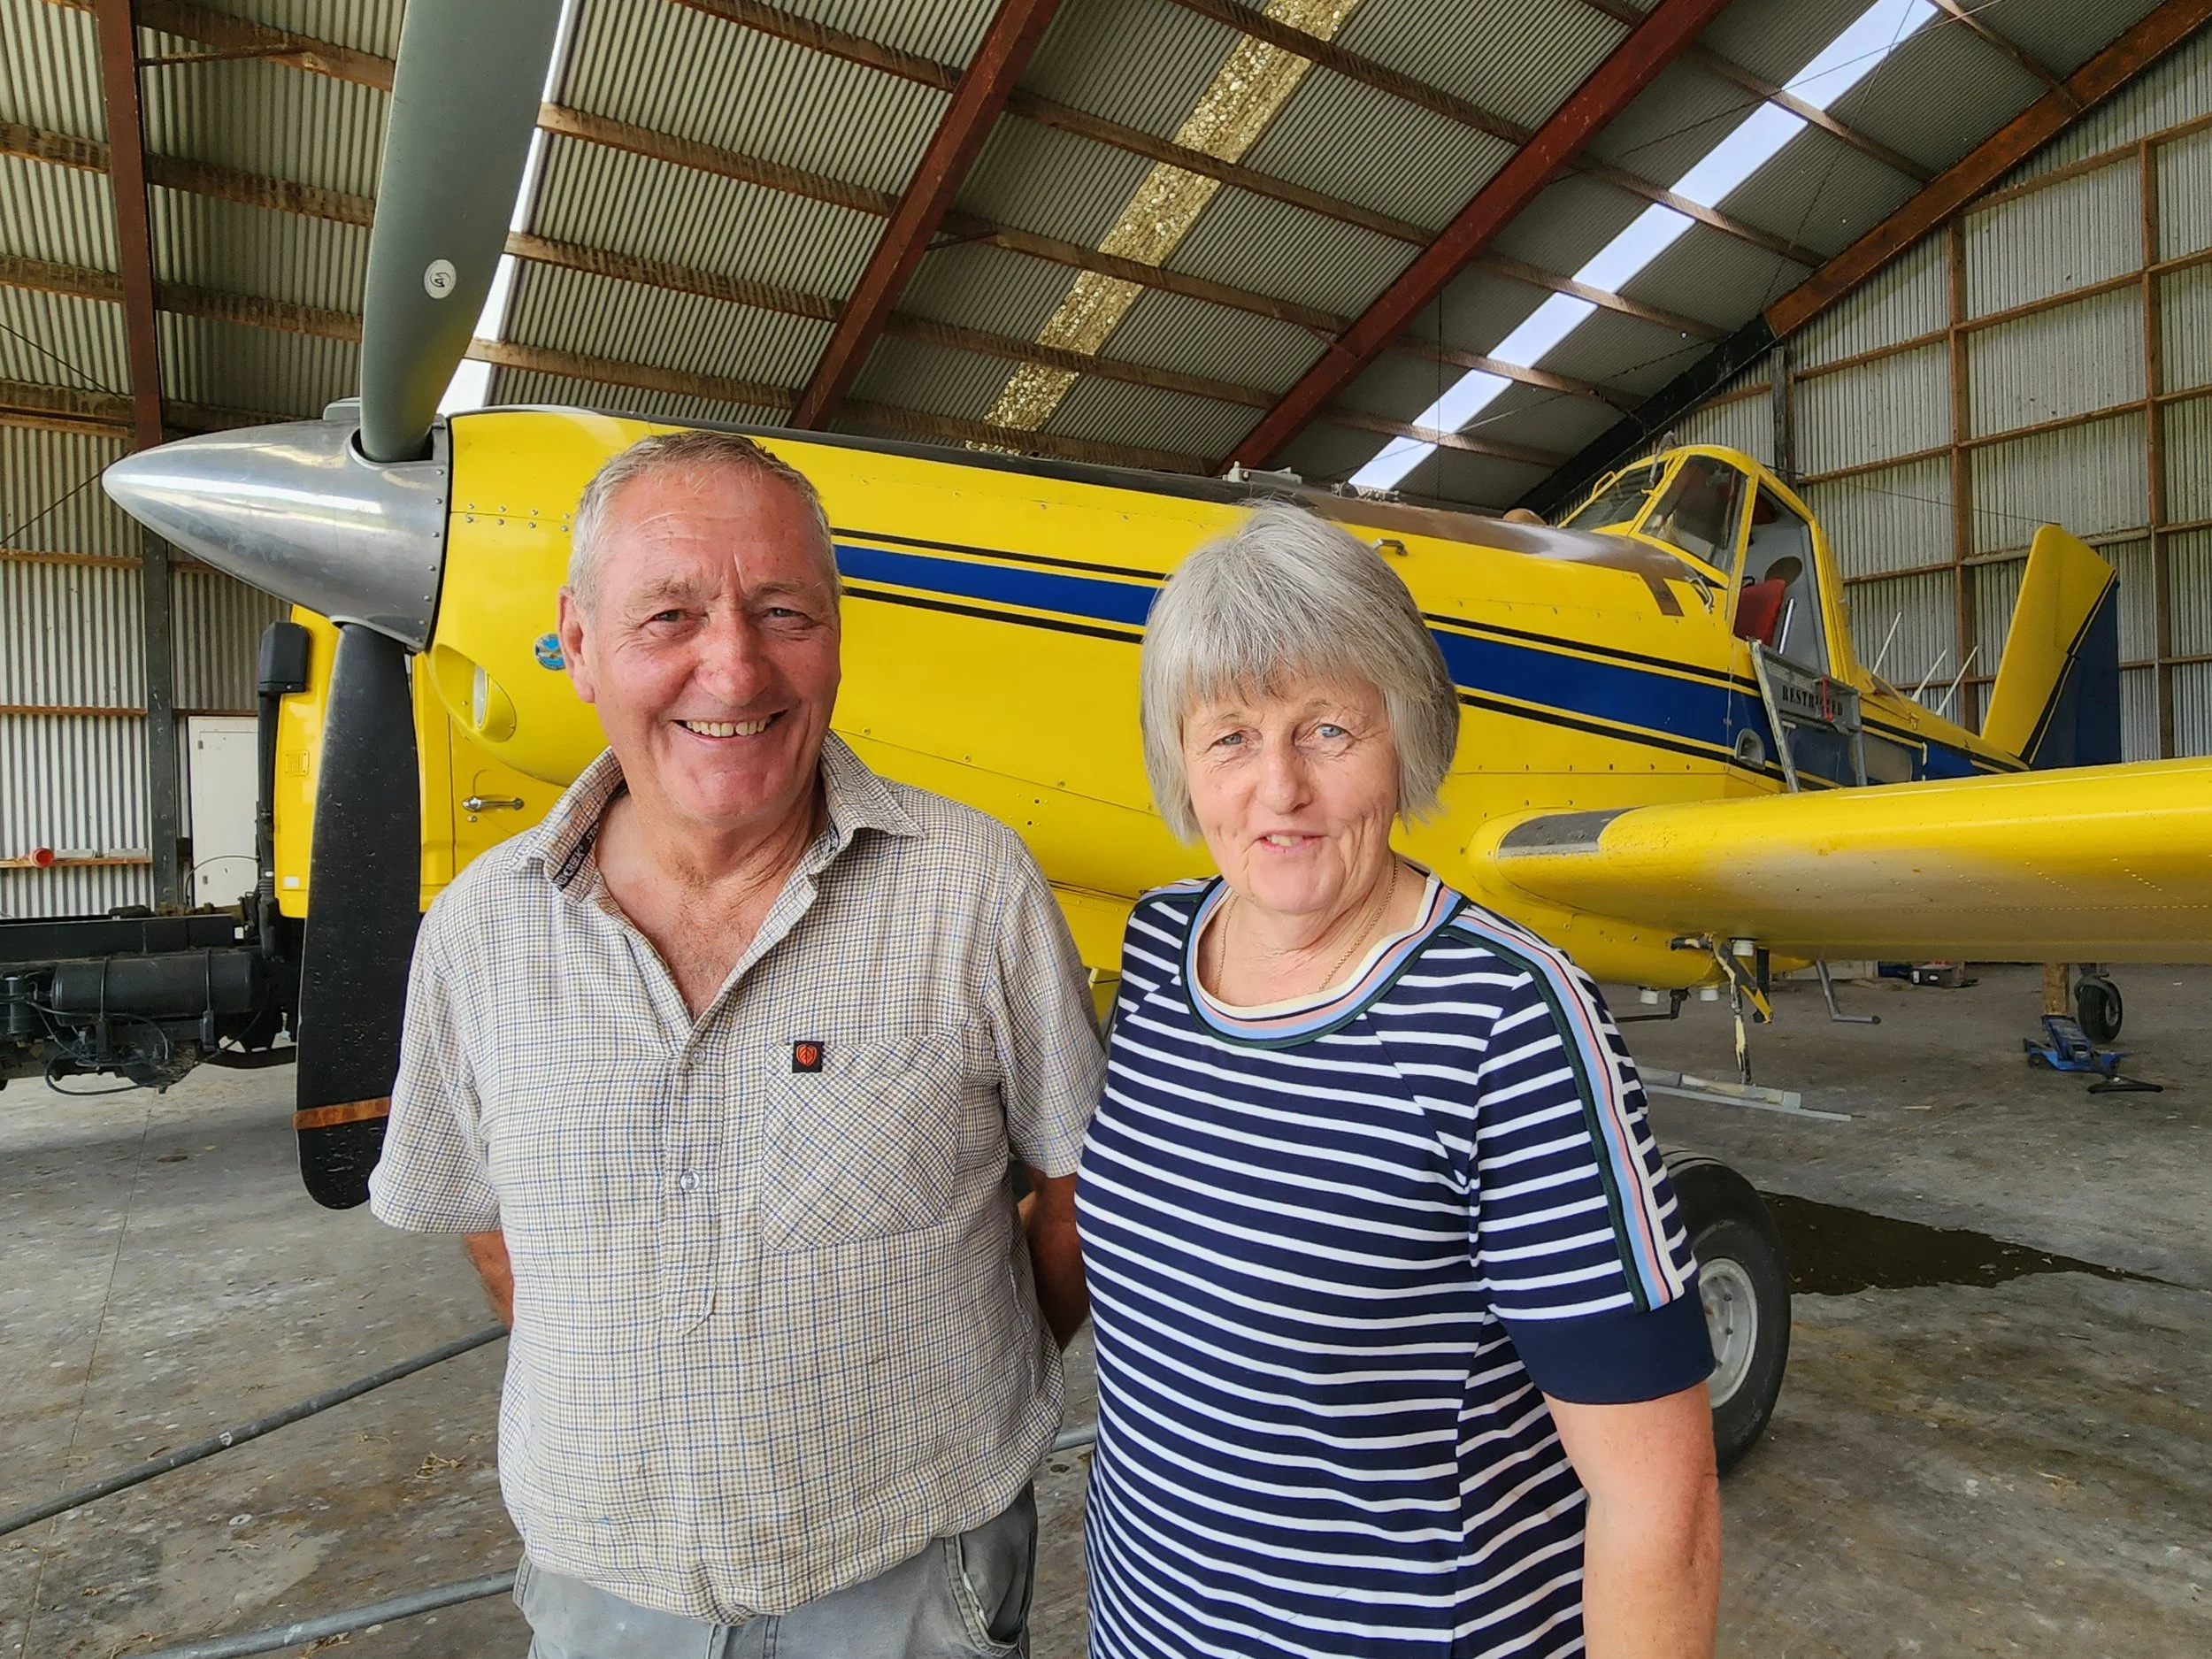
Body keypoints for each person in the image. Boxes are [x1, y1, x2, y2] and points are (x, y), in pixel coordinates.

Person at [367, 429, 1105, 1658]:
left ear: (835, 634)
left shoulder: (974, 888)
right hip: (606, 1589)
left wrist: (988, 1364)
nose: (735, 663)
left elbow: (1078, 1185)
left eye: (784, 611)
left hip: (916, 1579)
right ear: (579, 642)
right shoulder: (477, 931)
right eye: (670, 616)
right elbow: (495, 1218)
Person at [1078, 503, 1720, 1658]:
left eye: (1328, 728)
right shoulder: (1161, 950)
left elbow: (1658, 1508)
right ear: (1180, 760)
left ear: (1408, 735)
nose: (1280, 788)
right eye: (1230, 735)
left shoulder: (1510, 1022)